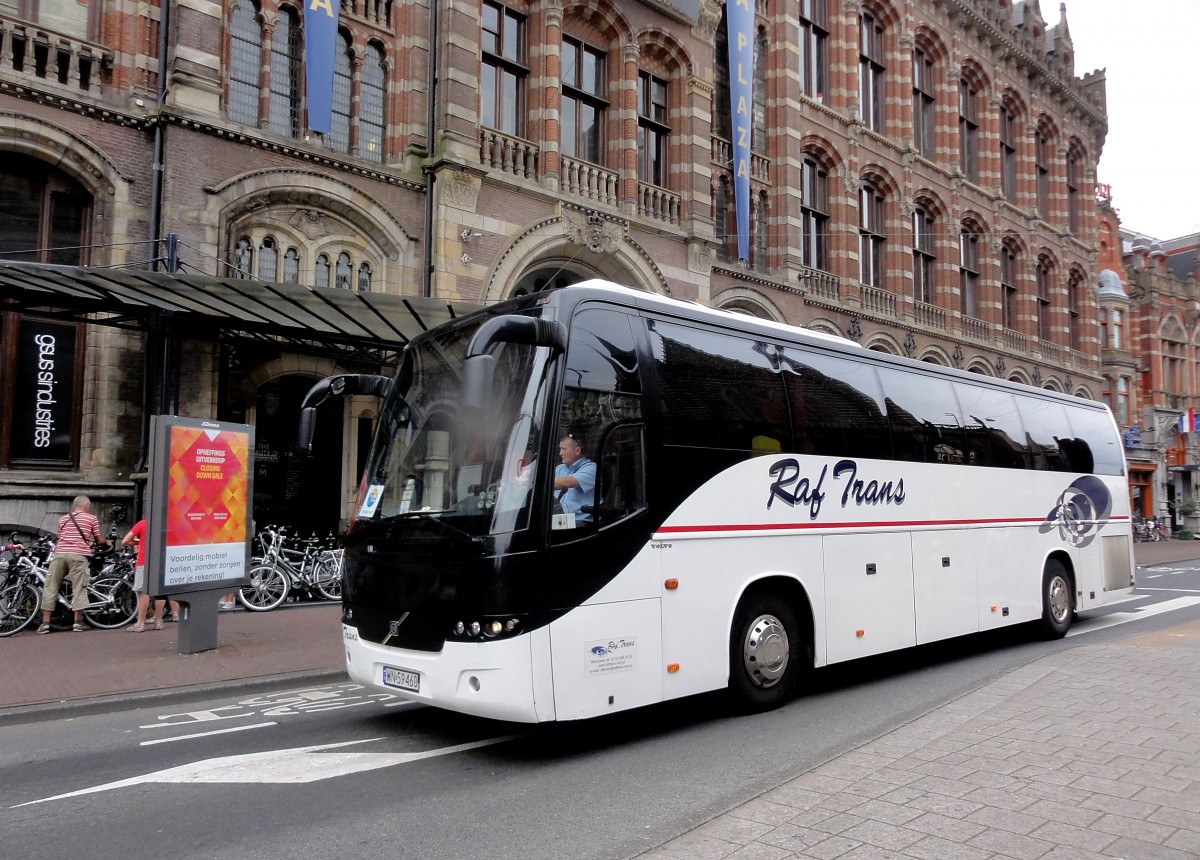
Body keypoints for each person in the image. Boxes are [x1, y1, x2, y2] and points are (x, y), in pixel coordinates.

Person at [38, 495, 110, 634]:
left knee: (50, 586)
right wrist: (107, 542)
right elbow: (98, 539)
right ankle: (78, 623)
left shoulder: (63, 519)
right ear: (86, 506)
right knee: (79, 587)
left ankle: (45, 624)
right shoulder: (91, 518)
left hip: (59, 554)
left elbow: (62, 537)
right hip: (78, 555)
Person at [122, 519, 181, 631]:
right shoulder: (167, 523)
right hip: (162, 561)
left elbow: (125, 540)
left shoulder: (143, 523)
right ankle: (158, 621)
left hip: (145, 561)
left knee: (143, 592)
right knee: (160, 592)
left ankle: (140, 623)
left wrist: (140, 542)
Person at [553, 434, 597, 523]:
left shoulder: (591, 468)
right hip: (560, 520)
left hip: (580, 523)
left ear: (577, 451)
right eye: (560, 449)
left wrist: (536, 481)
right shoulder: (560, 468)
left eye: (564, 449)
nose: (560, 453)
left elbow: (567, 482)